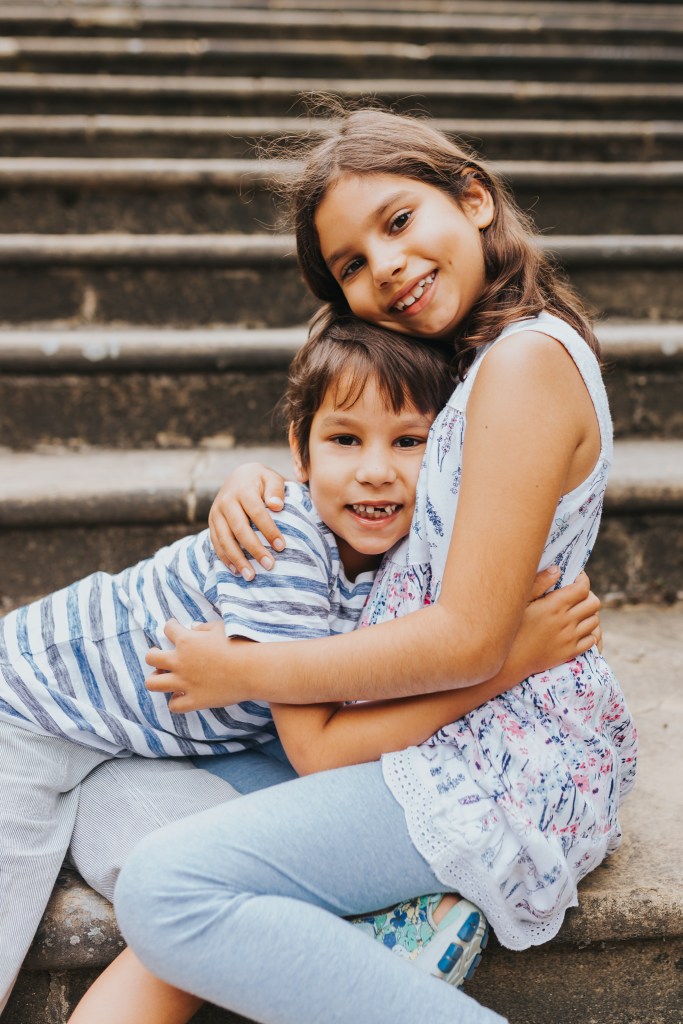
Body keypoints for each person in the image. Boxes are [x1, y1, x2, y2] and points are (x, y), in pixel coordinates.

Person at [112, 106, 637, 1024]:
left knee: (166, 886)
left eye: (396, 222)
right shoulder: (481, 362)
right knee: (130, 788)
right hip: (428, 724)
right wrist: (269, 481)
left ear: (473, 198)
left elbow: (472, 639)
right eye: (351, 263)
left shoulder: (521, 366)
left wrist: (245, 667)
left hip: (495, 762)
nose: (383, 265)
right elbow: (373, 451)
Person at [0, 315, 595, 1017]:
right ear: (301, 453)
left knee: (211, 866)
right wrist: (511, 658)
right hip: (27, 712)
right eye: (345, 439)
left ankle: (376, 936)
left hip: (136, 746)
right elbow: (317, 748)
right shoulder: (284, 545)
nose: (374, 469)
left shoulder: (390, 552)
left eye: (408, 442)